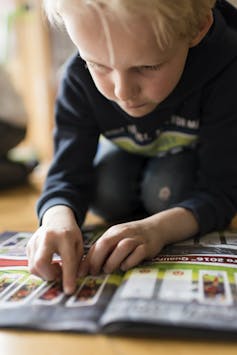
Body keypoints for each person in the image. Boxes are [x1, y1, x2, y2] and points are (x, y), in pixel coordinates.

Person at [27, 0, 237, 295]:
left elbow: (222, 191)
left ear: (199, 27)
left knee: (169, 189)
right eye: (98, 65)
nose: (122, 92)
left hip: (194, 161)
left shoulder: (226, 68)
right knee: (108, 191)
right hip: (128, 153)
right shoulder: (77, 77)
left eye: (148, 66)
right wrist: (55, 218)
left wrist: (157, 229)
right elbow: (66, 174)